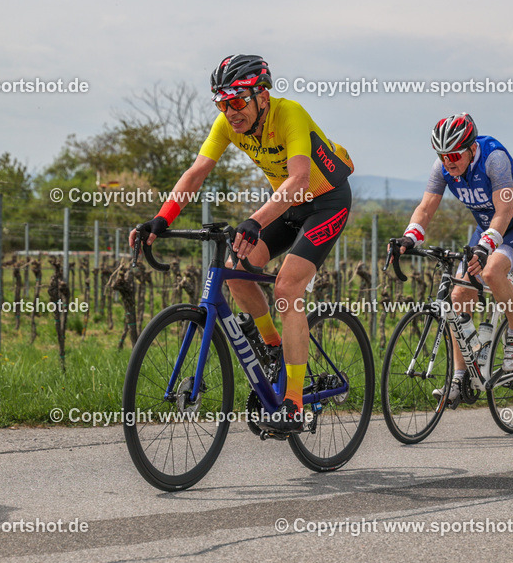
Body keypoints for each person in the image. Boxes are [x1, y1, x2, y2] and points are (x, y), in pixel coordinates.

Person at [130, 54, 354, 431]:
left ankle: (294, 404)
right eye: (222, 103)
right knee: (234, 273)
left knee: (287, 288)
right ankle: (273, 347)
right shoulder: (228, 124)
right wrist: (161, 219)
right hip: (287, 205)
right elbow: (196, 172)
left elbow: (299, 179)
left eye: (236, 101)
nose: (230, 112)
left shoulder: (289, 114)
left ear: (262, 96)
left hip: (326, 202)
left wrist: (255, 221)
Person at [392, 113, 513, 408]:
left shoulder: (494, 158)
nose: (448, 161)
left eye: (454, 155)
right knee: (458, 295)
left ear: (472, 148)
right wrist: (410, 236)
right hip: (487, 228)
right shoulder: (442, 167)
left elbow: (505, 212)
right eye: (442, 155)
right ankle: (460, 377)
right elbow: (426, 208)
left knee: (493, 271)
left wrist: (485, 247)